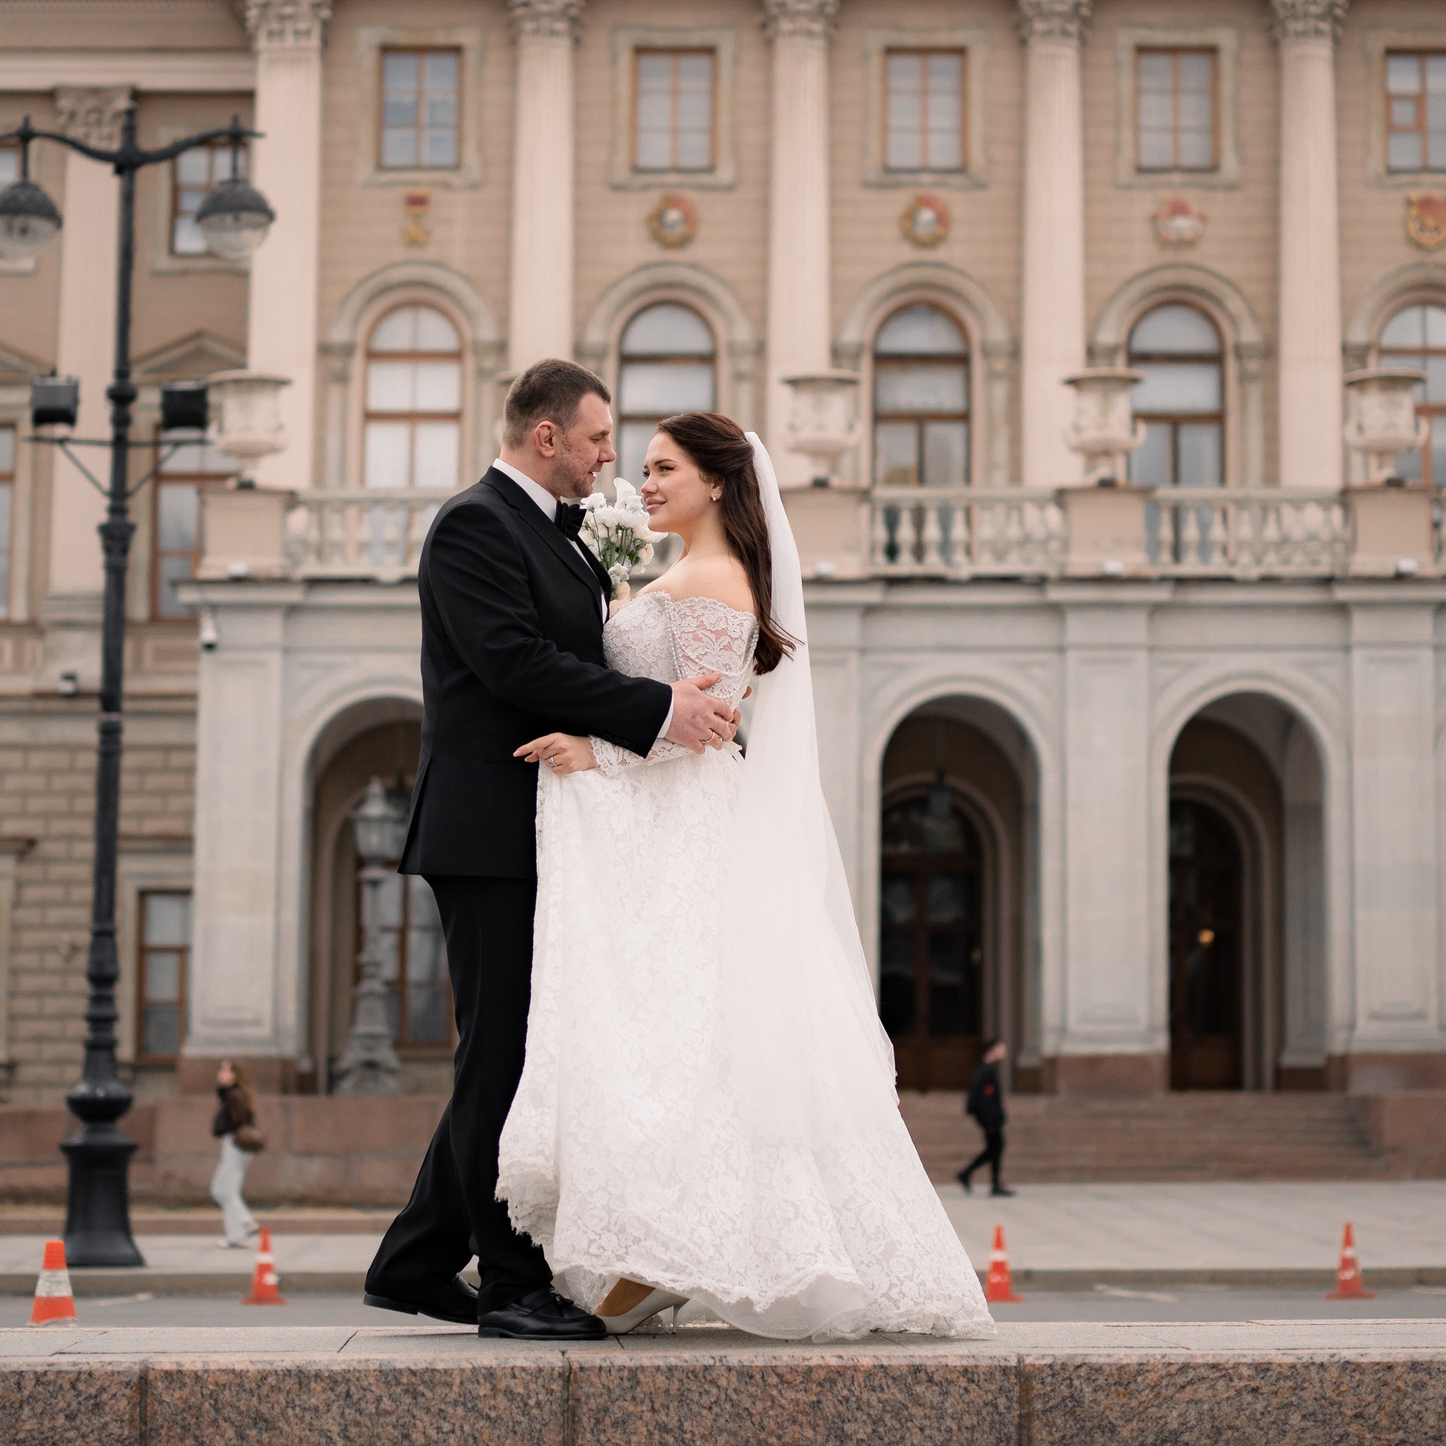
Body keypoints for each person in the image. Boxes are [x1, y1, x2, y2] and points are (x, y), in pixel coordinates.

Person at [501, 412, 995, 1341]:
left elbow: (709, 722)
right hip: (661, 827)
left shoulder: (717, 579)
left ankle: (667, 1254)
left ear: (719, 481)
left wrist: (596, 752)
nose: (645, 482)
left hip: (685, 826)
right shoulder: (689, 570)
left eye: (664, 468)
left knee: (688, 1038)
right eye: (644, 468)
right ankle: (657, 1248)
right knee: (672, 1040)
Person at [362, 360, 741, 1341]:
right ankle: (510, 1284)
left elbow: (570, 656)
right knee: (504, 1054)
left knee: (503, 1051)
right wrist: (659, 709)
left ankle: (414, 1259)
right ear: (546, 437)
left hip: (544, 826)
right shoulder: (474, 524)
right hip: (489, 829)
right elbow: (515, 664)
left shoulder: (559, 536)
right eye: (598, 438)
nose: (610, 457)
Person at [209, 1060, 260, 1247]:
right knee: (221, 1191)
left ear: (235, 1075)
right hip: (234, 1145)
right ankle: (235, 1235)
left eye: (225, 1070)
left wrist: (221, 1128)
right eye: (220, 1070)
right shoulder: (231, 1094)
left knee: (225, 1191)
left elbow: (239, 1121)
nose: (220, 1074)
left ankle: (246, 1221)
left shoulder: (234, 1095)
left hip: (235, 1145)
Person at [958, 1040, 1013, 1198]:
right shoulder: (985, 1071)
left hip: (991, 1119)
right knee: (995, 1148)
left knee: (995, 1149)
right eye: (1002, 1048)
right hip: (990, 1120)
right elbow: (985, 1100)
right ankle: (968, 1174)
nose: (1004, 1052)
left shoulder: (986, 1070)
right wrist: (990, 1122)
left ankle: (991, 1182)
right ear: (992, 1050)